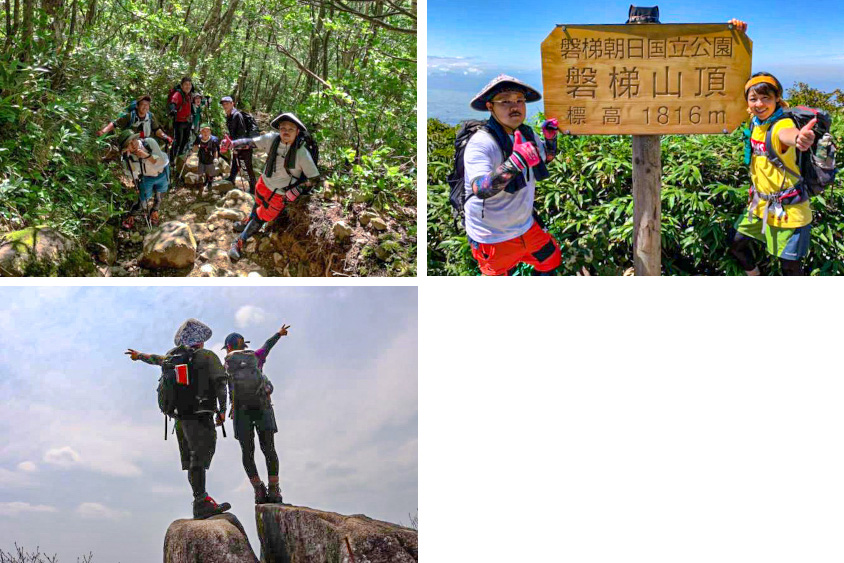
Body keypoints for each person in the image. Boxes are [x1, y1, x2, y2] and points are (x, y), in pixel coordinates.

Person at [125, 318, 231, 519]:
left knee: (192, 460)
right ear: (200, 340)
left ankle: (200, 499)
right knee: (200, 457)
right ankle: (201, 502)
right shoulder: (207, 356)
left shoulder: (172, 358)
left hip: (180, 417)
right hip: (201, 415)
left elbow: (155, 359)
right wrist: (223, 409)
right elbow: (220, 382)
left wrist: (139, 356)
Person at [462, 74, 562, 276]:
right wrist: (515, 162)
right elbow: (480, 189)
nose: (514, 107)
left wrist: (550, 139)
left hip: (525, 226)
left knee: (551, 260)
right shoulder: (481, 143)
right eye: (505, 101)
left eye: (519, 100)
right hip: (492, 236)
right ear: (490, 107)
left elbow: (545, 158)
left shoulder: (527, 134)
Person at [728, 72, 815, 276]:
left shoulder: (781, 125)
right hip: (759, 206)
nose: (759, 104)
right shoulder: (755, 121)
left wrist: (799, 139)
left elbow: (787, 135)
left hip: (789, 210)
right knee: (735, 243)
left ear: (777, 99)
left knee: (790, 268)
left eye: (766, 98)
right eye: (753, 99)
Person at [221, 113, 321, 261]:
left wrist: (297, 189)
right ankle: (248, 222)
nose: (286, 132)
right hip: (264, 183)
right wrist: (232, 144)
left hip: (279, 194)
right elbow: (251, 142)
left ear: (297, 131)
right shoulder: (272, 139)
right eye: (283, 128)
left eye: (291, 129)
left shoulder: (302, 153)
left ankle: (239, 241)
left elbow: (314, 178)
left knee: (261, 217)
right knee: (258, 204)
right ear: (279, 129)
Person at [223, 324, 290, 504]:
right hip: (262, 407)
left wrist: (221, 411)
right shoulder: (256, 357)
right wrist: (279, 334)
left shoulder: (227, 364)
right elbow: (268, 345)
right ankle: (274, 489)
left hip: (241, 411)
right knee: (269, 449)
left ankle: (258, 490)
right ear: (243, 344)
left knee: (247, 452)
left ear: (228, 347)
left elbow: (223, 387)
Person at [117, 129, 170, 228]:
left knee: (160, 193)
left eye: (133, 140)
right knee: (143, 197)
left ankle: (154, 210)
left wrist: (146, 156)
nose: (133, 144)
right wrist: (127, 160)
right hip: (146, 177)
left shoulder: (149, 143)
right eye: (129, 144)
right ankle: (133, 214)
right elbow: (132, 174)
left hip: (162, 172)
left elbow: (160, 160)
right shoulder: (128, 157)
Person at [96, 94, 173, 145]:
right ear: (137, 106)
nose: (145, 107)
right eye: (143, 104)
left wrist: (166, 137)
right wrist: (103, 131)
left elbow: (157, 130)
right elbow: (115, 124)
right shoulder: (130, 116)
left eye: (147, 105)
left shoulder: (150, 116)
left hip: (145, 140)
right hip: (130, 141)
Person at [220, 96, 258, 193]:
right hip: (237, 144)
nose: (225, 106)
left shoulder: (236, 115)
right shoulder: (229, 116)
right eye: (223, 104)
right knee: (235, 162)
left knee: (246, 167)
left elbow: (242, 132)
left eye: (227, 103)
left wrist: (237, 146)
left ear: (232, 103)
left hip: (244, 146)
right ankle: (232, 178)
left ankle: (253, 188)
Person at [169, 77, 195, 160]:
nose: (188, 86)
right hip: (179, 122)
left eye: (189, 84)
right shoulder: (178, 94)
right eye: (186, 84)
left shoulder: (189, 95)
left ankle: (180, 155)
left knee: (185, 140)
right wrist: (173, 109)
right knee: (177, 141)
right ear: (182, 86)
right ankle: (172, 158)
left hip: (188, 121)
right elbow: (173, 102)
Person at [191, 124, 221, 192]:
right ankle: (201, 185)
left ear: (210, 132)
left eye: (207, 131)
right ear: (200, 132)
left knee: (210, 173)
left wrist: (215, 158)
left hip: (210, 159)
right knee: (200, 172)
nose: (205, 133)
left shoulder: (213, 140)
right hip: (202, 157)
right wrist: (191, 152)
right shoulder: (199, 138)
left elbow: (215, 150)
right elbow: (195, 146)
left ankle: (209, 183)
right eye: (203, 131)